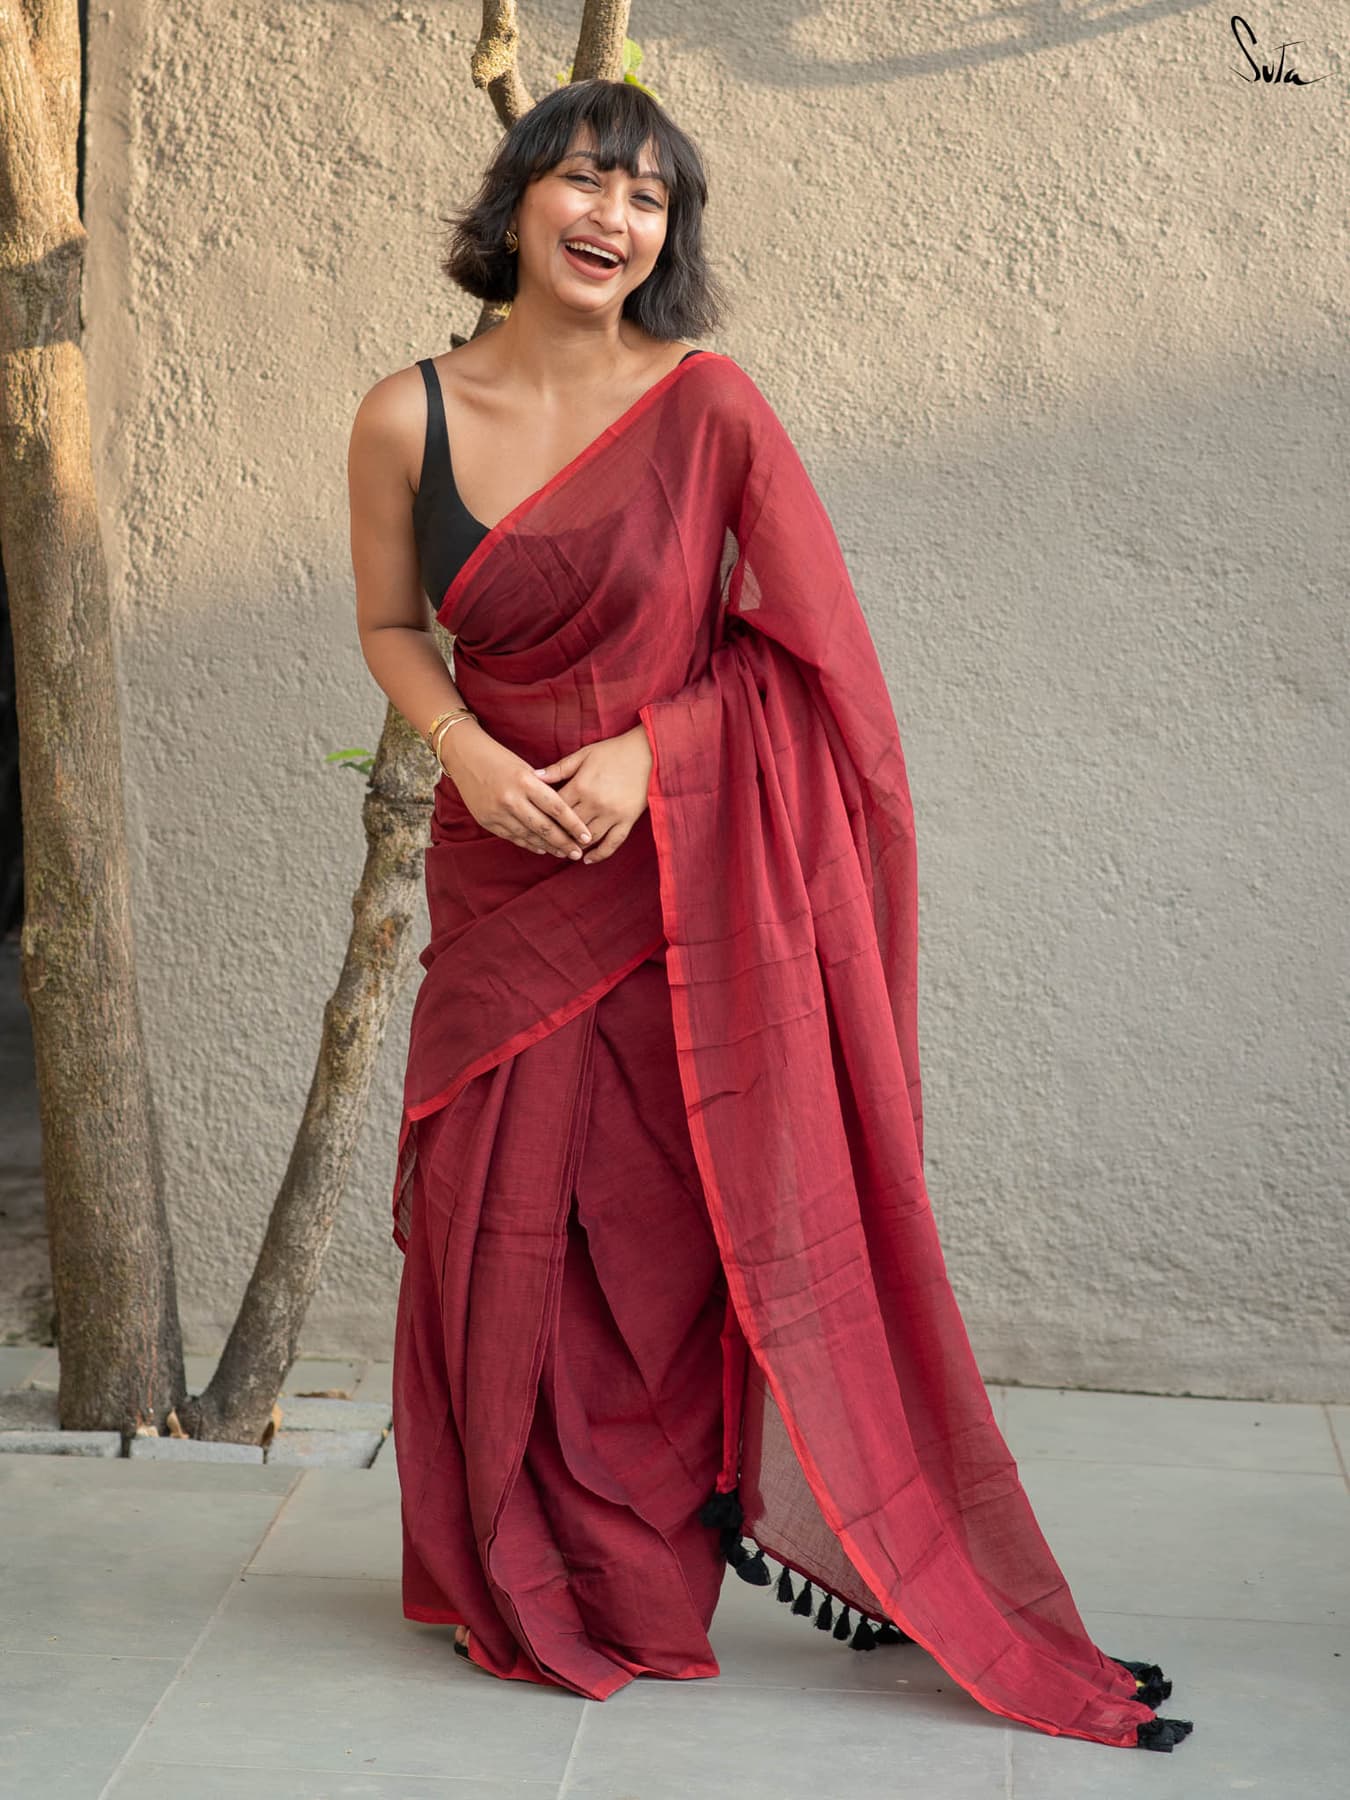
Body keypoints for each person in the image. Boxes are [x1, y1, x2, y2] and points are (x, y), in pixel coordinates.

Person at [346, 77, 1193, 1753]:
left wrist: (654, 760)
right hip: (499, 863)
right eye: (582, 180)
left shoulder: (710, 408)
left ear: (669, 235)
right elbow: (391, 625)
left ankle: (646, 1568)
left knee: (656, 1236)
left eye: (649, 198)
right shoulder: (403, 416)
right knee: (488, 1220)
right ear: (515, 200)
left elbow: (813, 669)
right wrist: (470, 754)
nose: (613, 217)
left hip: (674, 889)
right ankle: (501, 1563)